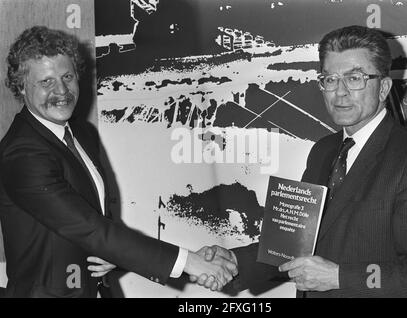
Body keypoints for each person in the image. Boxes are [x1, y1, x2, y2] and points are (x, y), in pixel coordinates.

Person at [196, 25, 407, 297]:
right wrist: (235, 262)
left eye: (355, 78)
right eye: (330, 79)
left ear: (384, 87)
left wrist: (340, 277)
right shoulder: (324, 150)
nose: (339, 92)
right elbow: (295, 243)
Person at [0, 26, 236, 298]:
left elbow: (98, 224)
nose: (62, 91)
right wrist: (188, 262)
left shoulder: (82, 133)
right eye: (46, 82)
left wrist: (114, 254)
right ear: (21, 86)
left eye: (67, 76)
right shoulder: (22, 154)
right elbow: (87, 226)